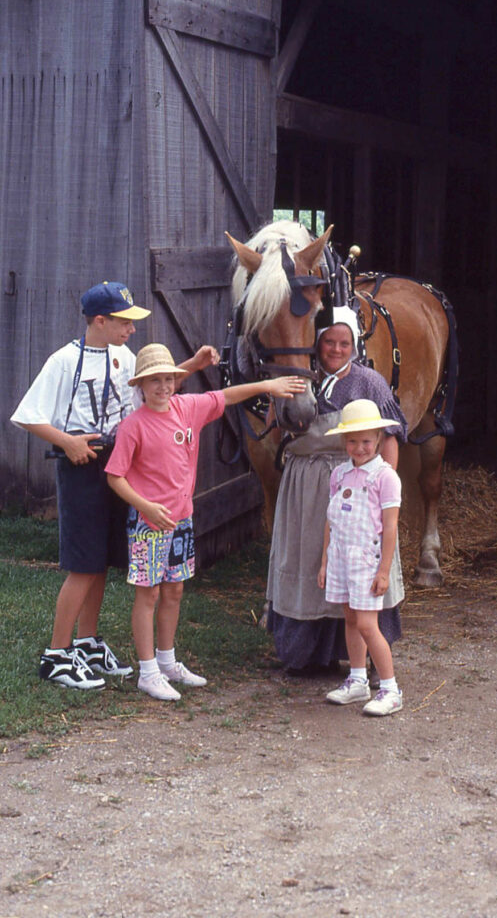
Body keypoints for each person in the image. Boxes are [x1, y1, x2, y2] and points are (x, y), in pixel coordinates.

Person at [10, 281, 218, 690]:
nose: (132, 330)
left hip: (121, 464)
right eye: (125, 322)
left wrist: (190, 365)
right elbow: (27, 415)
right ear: (100, 321)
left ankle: (86, 643)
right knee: (83, 562)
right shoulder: (64, 361)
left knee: (102, 558)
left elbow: (156, 388)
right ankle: (56, 654)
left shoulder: (124, 357)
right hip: (81, 463)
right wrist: (66, 441)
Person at [105, 343, 306, 701]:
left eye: (169, 379)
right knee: (148, 593)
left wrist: (267, 387)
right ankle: (147, 671)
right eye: (155, 381)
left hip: (181, 519)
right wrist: (146, 507)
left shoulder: (187, 408)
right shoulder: (133, 426)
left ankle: (167, 662)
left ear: (177, 381)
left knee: (175, 589)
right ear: (141, 386)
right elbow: (115, 477)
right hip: (149, 523)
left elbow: (226, 395)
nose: (163, 387)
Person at [267, 305, 408, 674]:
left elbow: (389, 440)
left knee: (360, 568)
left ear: (355, 345)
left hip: (359, 490)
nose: (335, 349)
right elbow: (272, 427)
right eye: (328, 341)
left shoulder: (368, 382)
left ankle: (370, 661)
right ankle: (307, 655)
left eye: (344, 343)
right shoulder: (298, 378)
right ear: (317, 343)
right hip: (305, 488)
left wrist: (382, 490)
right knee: (310, 563)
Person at [318, 399, 403, 715]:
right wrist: (326, 562)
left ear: (378, 439)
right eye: (352, 441)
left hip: (366, 560)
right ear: (344, 441)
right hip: (341, 557)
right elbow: (331, 519)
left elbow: (390, 527)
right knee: (350, 618)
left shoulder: (385, 477)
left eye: (366, 441)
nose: (359, 447)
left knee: (368, 624)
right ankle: (356, 680)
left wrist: (383, 571)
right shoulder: (339, 474)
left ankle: (390, 688)